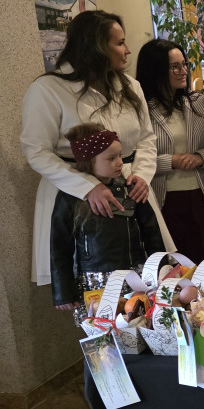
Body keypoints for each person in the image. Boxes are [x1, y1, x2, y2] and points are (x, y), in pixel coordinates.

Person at [22, 9, 171, 286]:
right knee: (88, 286)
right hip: (73, 192)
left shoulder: (130, 86)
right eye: (119, 43)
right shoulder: (49, 89)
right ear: (94, 47)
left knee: (146, 277)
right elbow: (36, 151)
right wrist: (87, 186)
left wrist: (142, 174)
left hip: (129, 185)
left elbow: (146, 140)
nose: (127, 50)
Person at [50, 124, 163, 320]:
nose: (120, 163)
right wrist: (63, 292)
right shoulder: (70, 197)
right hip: (94, 285)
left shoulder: (131, 189)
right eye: (111, 158)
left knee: (139, 325)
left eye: (120, 155)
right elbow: (60, 247)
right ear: (88, 161)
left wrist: (162, 271)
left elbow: (152, 233)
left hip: (134, 277)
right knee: (101, 339)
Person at [135, 39, 204, 264]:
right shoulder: (141, 108)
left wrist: (199, 157)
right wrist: (170, 161)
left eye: (184, 64)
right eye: (175, 66)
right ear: (155, 70)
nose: (183, 70)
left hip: (202, 197)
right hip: (163, 199)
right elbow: (135, 158)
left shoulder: (199, 102)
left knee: (202, 264)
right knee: (171, 268)